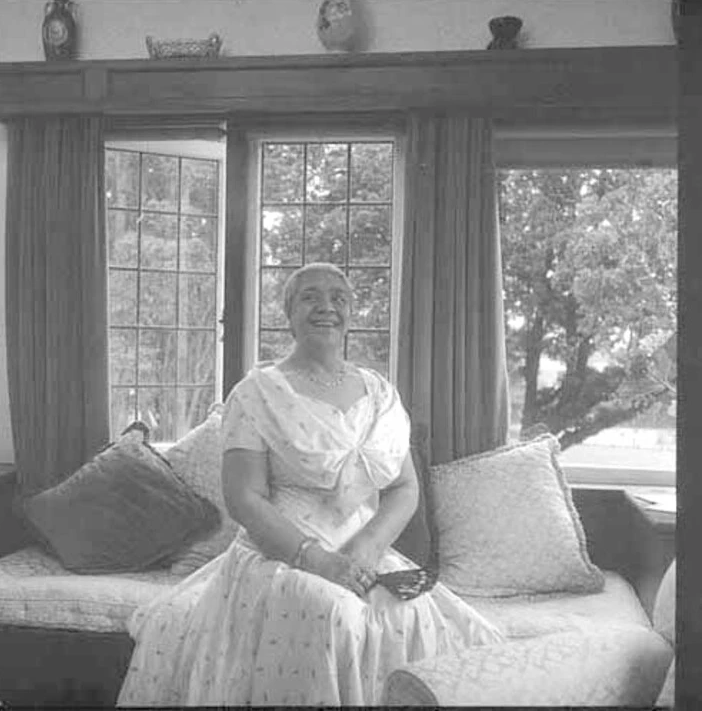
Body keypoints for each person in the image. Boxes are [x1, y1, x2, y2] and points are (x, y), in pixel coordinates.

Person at [117, 262, 504, 707]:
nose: (326, 307)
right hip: (281, 553)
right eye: (310, 297)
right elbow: (245, 498)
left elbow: (403, 488)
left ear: (351, 313)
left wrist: (367, 549)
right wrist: (317, 560)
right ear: (288, 313)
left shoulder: (381, 393)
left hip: (364, 551)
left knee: (414, 613)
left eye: (338, 297)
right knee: (335, 614)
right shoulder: (257, 392)